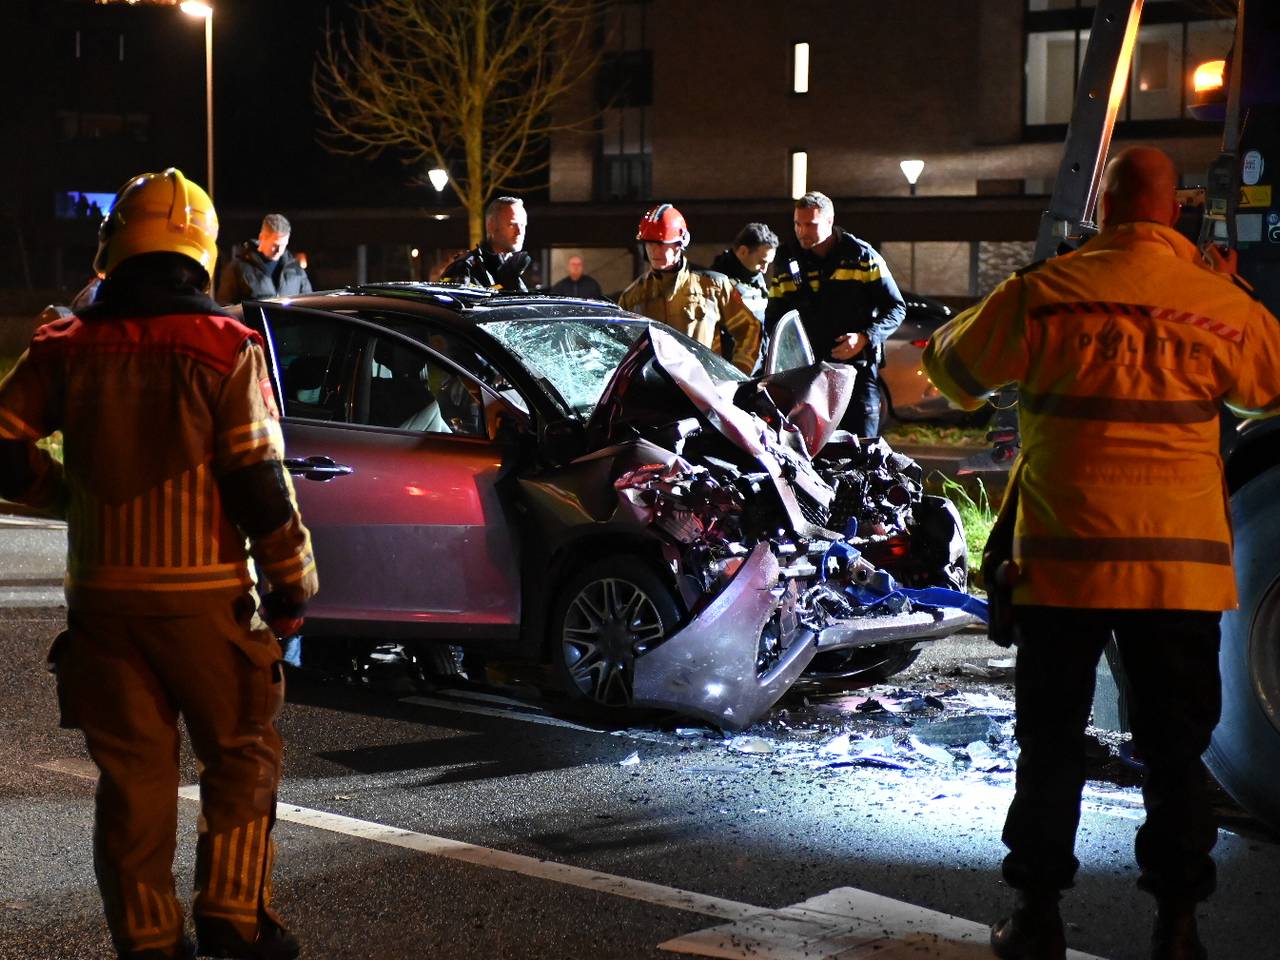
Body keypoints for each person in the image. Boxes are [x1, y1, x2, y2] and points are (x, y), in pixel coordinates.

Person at [922, 146, 1280, 960]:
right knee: (1176, 754)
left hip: (1062, 568)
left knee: (1050, 746)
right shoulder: (1214, 305)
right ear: (1174, 211)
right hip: (1177, 576)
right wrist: (1232, 287)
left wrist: (1039, 278)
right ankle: (1178, 926)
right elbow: (1271, 384)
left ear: (1105, 209)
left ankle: (1038, 917)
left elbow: (952, 369)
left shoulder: (1046, 296)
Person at [0, 168, 318, 960]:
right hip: (204, 603)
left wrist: (68, 493)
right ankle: (233, 920)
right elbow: (257, 481)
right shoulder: (226, 347)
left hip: (103, 611)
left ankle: (148, 943)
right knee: (243, 754)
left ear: (116, 249)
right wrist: (292, 586)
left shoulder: (66, 344)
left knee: (134, 784)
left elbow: (2, 447)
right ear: (202, 254)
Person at [765, 191, 905, 436]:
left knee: (861, 450)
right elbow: (775, 318)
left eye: (810, 224)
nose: (802, 231)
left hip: (855, 375)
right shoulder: (787, 260)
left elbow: (895, 308)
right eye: (797, 224)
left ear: (829, 221)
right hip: (806, 377)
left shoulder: (861, 256)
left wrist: (865, 337)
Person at [617, 203, 760, 374]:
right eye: (650, 244)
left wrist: (738, 375)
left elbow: (750, 328)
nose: (655, 251)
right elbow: (619, 349)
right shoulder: (632, 297)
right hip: (654, 391)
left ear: (680, 244)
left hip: (705, 389)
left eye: (663, 244)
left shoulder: (713, 286)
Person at [712, 222, 778, 373]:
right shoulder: (717, 283)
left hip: (758, 370)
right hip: (731, 373)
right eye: (762, 262)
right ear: (743, 251)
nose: (764, 269)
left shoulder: (756, 279)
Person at [216, 213, 313, 304]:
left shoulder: (296, 269)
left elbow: (308, 303)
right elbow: (226, 307)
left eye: (284, 245)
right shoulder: (237, 268)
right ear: (262, 237)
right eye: (275, 245)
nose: (279, 250)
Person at [441, 196, 532, 291]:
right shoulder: (464, 269)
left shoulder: (515, 268)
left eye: (522, 225)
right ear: (491, 225)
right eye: (512, 224)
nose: (520, 232)